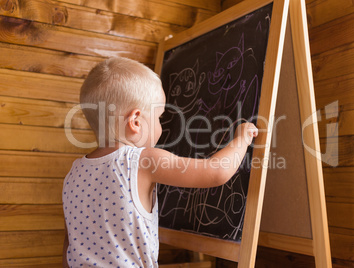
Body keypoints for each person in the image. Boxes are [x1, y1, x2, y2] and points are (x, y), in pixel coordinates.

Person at [62, 57, 258, 267]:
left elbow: (69, 246)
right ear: (136, 122)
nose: (161, 126)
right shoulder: (142, 160)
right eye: (159, 118)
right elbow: (215, 172)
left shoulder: (74, 173)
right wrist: (241, 140)